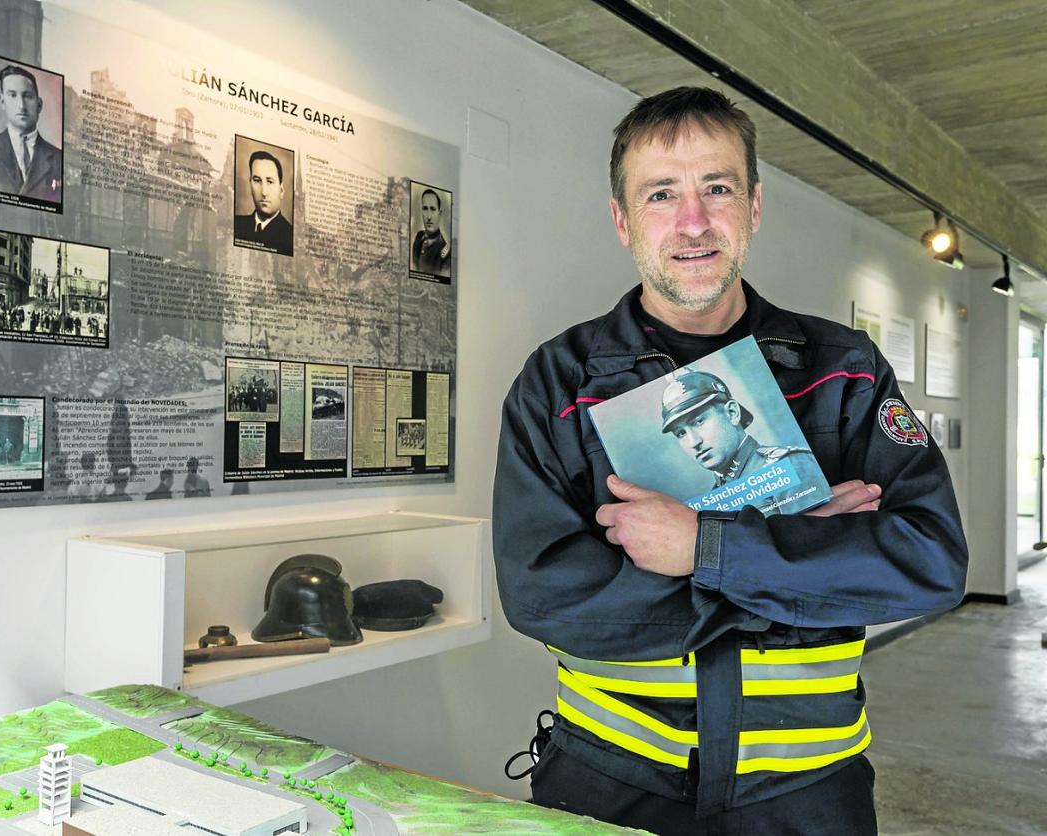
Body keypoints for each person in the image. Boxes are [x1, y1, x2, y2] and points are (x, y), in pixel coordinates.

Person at [492, 87, 967, 835]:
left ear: (753, 206)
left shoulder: (845, 370)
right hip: (610, 780)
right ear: (622, 220)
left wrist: (703, 549)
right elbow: (544, 597)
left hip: (809, 793)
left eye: (717, 187)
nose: (693, 221)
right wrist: (801, 555)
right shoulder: (557, 384)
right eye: (661, 194)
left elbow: (931, 562)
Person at [661, 370, 824, 497]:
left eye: (698, 421)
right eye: (681, 433)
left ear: (732, 413)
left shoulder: (790, 465)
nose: (693, 442)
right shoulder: (714, 498)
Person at [0, 64, 62, 204]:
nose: (21, 105)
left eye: (27, 96)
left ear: (39, 105)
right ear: (2, 101)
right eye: (12, 95)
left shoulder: (58, 158)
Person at [233, 150, 293, 256]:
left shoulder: (290, 236)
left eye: (270, 182)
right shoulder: (235, 225)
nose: (264, 192)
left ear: (281, 190)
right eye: (257, 180)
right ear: (250, 185)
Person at [411, 188, 451, 275]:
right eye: (425, 209)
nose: (429, 216)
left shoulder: (444, 250)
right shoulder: (419, 236)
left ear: (439, 214)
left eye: (432, 209)